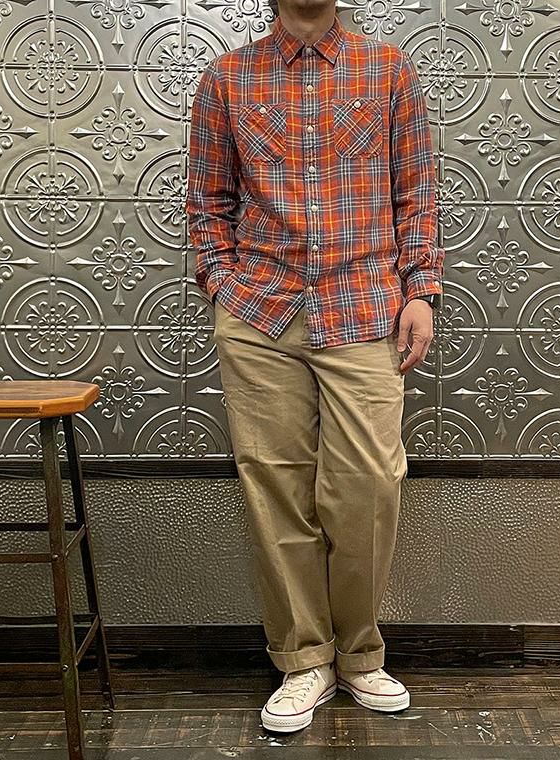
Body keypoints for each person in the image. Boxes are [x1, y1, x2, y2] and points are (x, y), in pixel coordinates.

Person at [185, 0, 444, 734]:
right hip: (260, 311)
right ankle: (304, 659)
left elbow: (416, 193)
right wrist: (221, 282)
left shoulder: (387, 69)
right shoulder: (226, 78)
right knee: (275, 483)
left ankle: (359, 653)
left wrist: (421, 291)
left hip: (365, 305)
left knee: (368, 484)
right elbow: (207, 201)